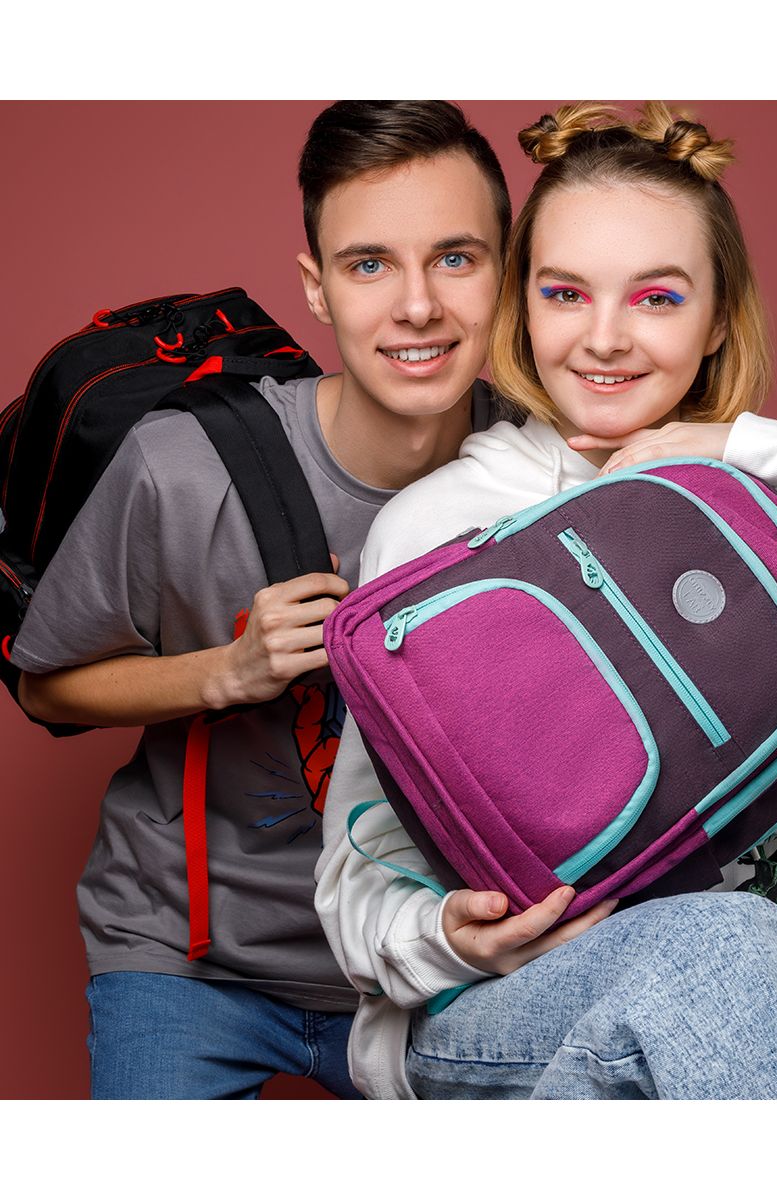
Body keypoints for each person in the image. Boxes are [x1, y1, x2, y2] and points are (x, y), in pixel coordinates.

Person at [315, 102, 777, 1100]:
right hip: (517, 1013)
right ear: (522, 307)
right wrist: (450, 935)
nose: (604, 338)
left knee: (739, 956)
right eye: (564, 293)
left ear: (720, 315)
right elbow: (360, 870)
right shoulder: (440, 524)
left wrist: (775, 454)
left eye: (657, 297)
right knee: (723, 945)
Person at [10, 101, 513, 1100]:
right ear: (316, 287)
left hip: (439, 956)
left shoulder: (550, 473)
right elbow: (45, 687)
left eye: (456, 258)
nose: (417, 305)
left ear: (507, 272)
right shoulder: (181, 467)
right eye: (369, 265)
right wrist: (226, 671)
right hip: (191, 958)